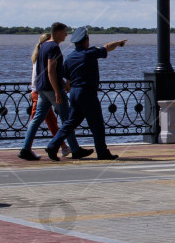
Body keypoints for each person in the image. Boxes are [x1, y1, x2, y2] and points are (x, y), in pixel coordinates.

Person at [45, 27, 127, 161]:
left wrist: (68, 86)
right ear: (86, 41)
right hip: (87, 93)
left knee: (70, 123)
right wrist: (118, 43)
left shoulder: (70, 57)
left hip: (74, 93)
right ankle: (102, 152)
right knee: (97, 124)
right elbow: (106, 48)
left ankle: (53, 145)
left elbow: (66, 77)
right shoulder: (90, 53)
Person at [18, 23, 93, 161]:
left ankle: (25, 148)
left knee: (37, 119)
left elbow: (47, 70)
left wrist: (62, 83)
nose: (66, 35)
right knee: (67, 119)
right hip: (52, 90)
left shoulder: (44, 46)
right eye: (64, 32)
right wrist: (58, 91)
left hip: (42, 89)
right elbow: (51, 70)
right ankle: (74, 149)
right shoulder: (53, 47)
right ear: (58, 33)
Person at [29, 33, 69, 157]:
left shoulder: (38, 57)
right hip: (42, 91)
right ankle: (62, 146)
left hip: (37, 91)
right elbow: (50, 73)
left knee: (43, 121)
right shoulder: (45, 56)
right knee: (58, 120)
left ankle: (63, 146)